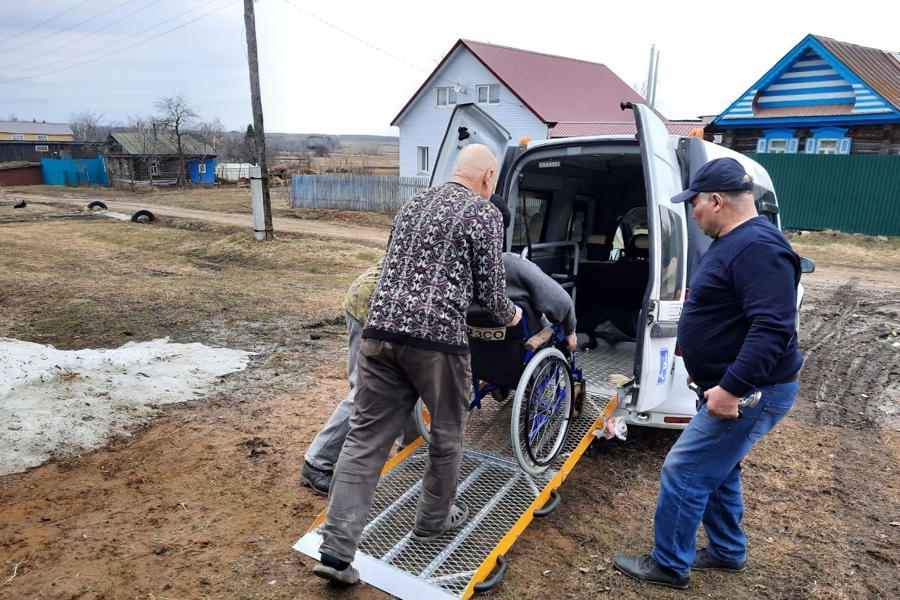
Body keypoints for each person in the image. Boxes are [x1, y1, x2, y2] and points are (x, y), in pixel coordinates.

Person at [311, 144, 521, 585]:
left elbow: (395, 267)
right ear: (487, 178)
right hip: (437, 341)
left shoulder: (413, 203)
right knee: (447, 434)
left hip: (379, 333)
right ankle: (432, 520)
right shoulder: (484, 214)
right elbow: (490, 290)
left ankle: (335, 550)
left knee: (365, 441)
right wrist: (511, 316)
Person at [612, 157, 803, 589]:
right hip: (732, 386)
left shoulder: (759, 248)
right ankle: (726, 551)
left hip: (752, 391)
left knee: (684, 470)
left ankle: (669, 564)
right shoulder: (739, 241)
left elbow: (773, 327)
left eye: (694, 204)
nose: (692, 213)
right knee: (719, 469)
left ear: (716, 200)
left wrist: (731, 390)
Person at [300, 259, 420, 496]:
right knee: (368, 390)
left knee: (407, 381)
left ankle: (412, 446)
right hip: (375, 306)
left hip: (378, 301)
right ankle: (316, 463)